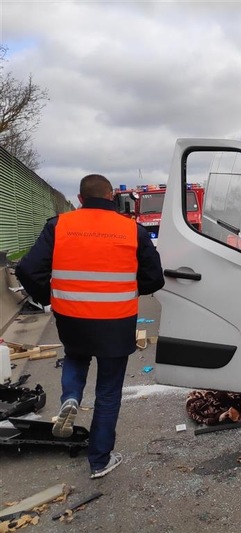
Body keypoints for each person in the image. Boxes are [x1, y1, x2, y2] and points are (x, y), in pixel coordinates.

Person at [16, 174, 165, 479]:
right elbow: (155, 277)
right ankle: (99, 460)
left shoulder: (58, 225)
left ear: (81, 199)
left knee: (75, 355)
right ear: (111, 197)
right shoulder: (131, 230)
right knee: (108, 392)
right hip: (116, 321)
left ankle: (70, 397)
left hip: (72, 317)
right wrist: (133, 287)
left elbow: (27, 268)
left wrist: (48, 296)